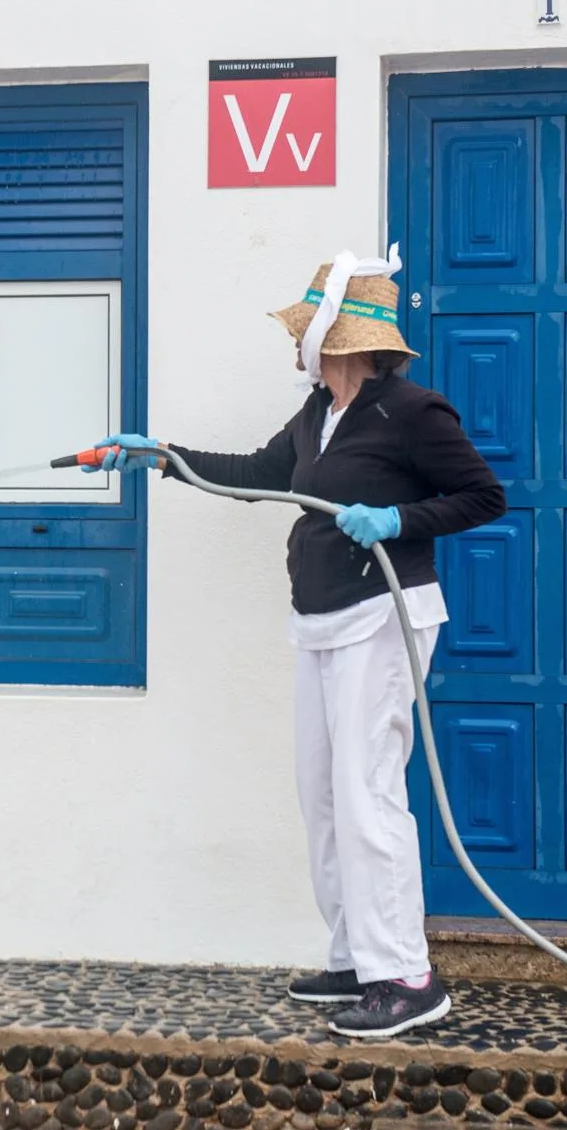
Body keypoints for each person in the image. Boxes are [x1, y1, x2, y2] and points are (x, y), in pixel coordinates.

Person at [90, 247, 505, 1039]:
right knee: (322, 794)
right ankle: (357, 954)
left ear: (339, 336)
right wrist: (163, 457)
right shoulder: (320, 411)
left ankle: (408, 975)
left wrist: (397, 521)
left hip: (385, 614)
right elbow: (254, 472)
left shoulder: (414, 411)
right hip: (321, 617)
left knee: (367, 790)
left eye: (303, 331)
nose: (295, 345)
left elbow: (484, 495)